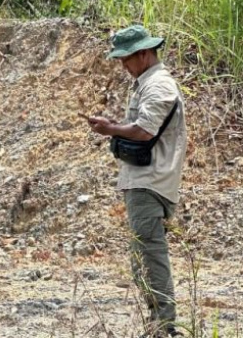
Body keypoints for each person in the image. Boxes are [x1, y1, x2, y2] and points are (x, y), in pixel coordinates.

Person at [84, 25, 186, 338]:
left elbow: (144, 131)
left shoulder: (158, 85)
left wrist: (111, 129)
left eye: (126, 59)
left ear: (143, 54)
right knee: (143, 256)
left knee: (149, 256)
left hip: (150, 181)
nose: (123, 66)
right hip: (144, 180)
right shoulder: (147, 83)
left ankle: (165, 328)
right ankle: (159, 325)